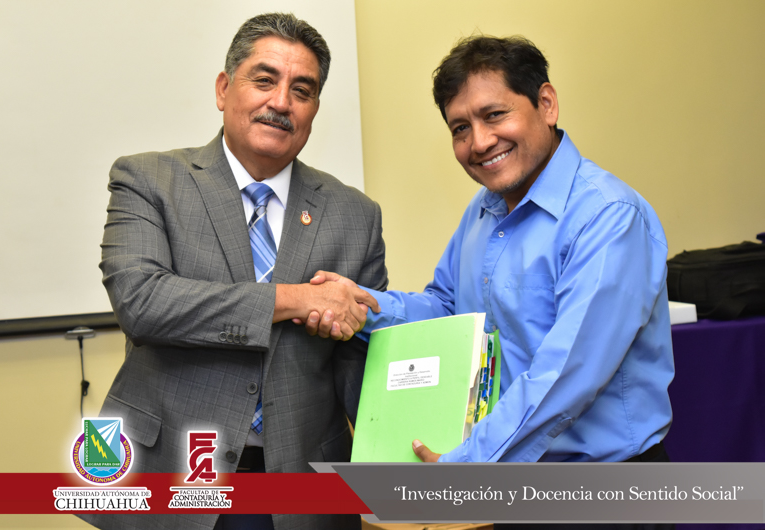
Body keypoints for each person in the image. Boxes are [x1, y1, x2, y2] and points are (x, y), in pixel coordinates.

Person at [306, 36, 674, 469]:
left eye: (494, 115)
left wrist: (465, 465)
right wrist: (360, 306)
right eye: (460, 128)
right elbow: (448, 312)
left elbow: (565, 376)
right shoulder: (484, 210)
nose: (479, 142)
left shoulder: (609, 216)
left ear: (547, 104)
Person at [80, 13, 386, 530]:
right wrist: (296, 299)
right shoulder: (148, 179)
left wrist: (409, 450)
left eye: (302, 90)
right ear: (224, 89)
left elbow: (363, 358)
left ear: (314, 109)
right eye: (264, 80)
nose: (281, 102)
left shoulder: (356, 214)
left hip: (302, 486)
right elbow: (142, 303)